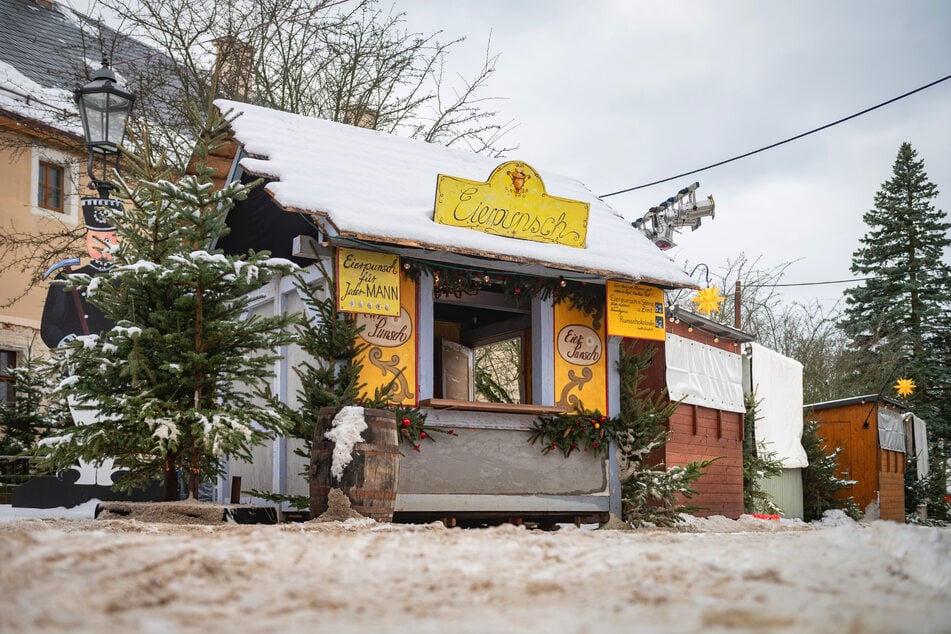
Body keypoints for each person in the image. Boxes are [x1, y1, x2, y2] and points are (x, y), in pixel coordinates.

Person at [40, 198, 121, 348]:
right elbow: (49, 326)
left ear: (116, 243)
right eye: (95, 240)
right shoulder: (67, 279)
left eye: (108, 240)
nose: (102, 246)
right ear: (87, 242)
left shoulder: (127, 281)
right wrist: (69, 343)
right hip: (79, 357)